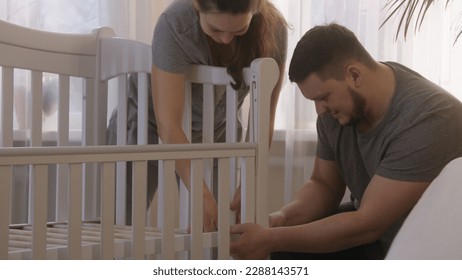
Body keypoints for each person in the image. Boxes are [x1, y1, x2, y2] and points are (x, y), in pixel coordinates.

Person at [229, 23, 462, 259]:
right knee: (278, 253)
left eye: (324, 97)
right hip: (374, 235)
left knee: (276, 247)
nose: (319, 110)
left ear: (354, 75)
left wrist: (271, 239)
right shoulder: (335, 112)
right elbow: (324, 185)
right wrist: (280, 219)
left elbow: (369, 224)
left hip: (419, 249)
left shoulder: (430, 118)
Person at [107, 0, 288, 230]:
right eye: (215, 29)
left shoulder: (274, 30)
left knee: (216, 231)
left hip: (216, 130)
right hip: (145, 122)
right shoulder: (176, 24)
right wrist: (201, 196)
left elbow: (264, 118)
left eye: (238, 30)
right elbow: (169, 125)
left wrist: (249, 182)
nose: (225, 38)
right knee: (118, 226)